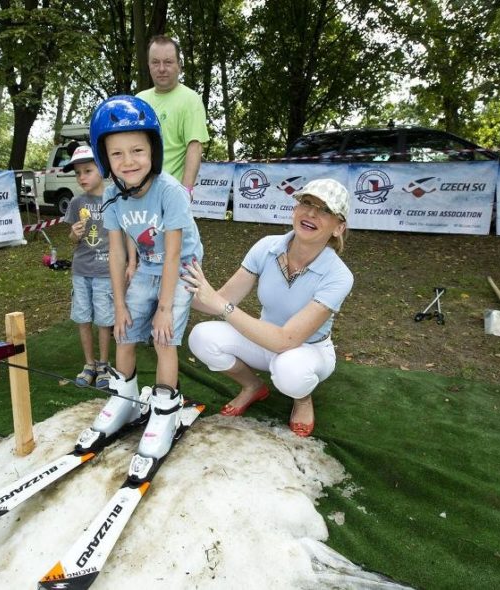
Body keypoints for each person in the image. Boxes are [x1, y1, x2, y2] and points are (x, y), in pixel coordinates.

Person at [77, 95, 203, 469]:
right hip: (147, 266)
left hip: (180, 267)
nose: (128, 161)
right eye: (117, 154)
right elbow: (117, 253)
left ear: (154, 152)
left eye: (137, 150)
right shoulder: (112, 195)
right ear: (105, 159)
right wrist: (119, 305)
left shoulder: (171, 192)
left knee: (163, 337)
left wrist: (164, 309)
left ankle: (164, 409)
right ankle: (125, 399)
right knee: (125, 331)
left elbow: (175, 255)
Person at [184, 178, 354, 438]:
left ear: (338, 228)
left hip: (308, 350)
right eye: (307, 203)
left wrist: (221, 305)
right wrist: (172, 288)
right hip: (262, 339)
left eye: (325, 210)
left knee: (291, 371)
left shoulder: (339, 275)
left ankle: (302, 400)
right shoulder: (267, 246)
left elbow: (286, 340)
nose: (311, 213)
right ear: (295, 209)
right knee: (201, 336)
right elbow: (220, 299)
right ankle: (253, 386)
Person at [63, 145, 113, 390]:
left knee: (104, 319)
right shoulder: (76, 202)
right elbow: (72, 239)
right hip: (81, 270)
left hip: (106, 272)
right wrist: (74, 234)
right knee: (83, 318)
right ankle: (89, 364)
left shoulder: (114, 199)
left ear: (101, 169)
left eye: (87, 171)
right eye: (78, 173)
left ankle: (104, 364)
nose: (82, 177)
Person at [136, 35, 209, 201]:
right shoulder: (139, 100)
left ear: (179, 65)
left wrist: (185, 192)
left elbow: (195, 147)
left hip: (171, 195)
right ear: (148, 65)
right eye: (155, 62)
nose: (161, 69)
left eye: (168, 62)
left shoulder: (190, 99)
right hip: (138, 194)